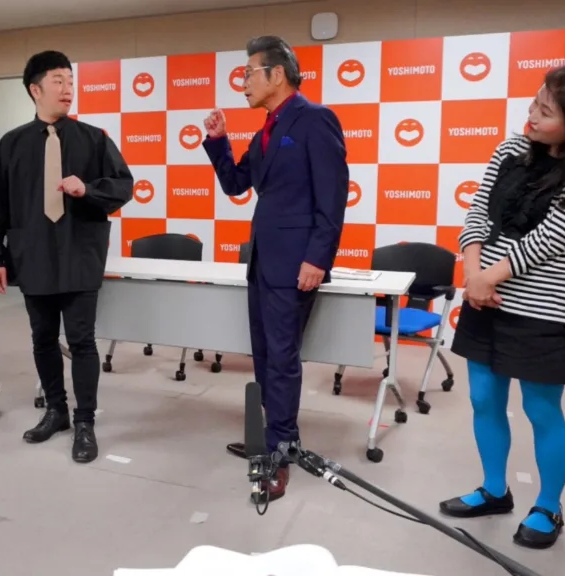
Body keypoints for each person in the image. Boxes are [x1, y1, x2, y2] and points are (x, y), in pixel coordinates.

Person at [439, 63, 565, 550]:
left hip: (543, 308)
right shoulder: (511, 149)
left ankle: (548, 506)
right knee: (483, 399)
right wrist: (473, 273)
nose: (532, 115)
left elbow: (551, 238)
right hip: (485, 297)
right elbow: (478, 214)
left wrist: (487, 278)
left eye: (546, 111)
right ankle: (494, 490)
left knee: (541, 409)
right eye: (535, 103)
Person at [201, 36, 349, 501]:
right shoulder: (266, 129)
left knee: (282, 360)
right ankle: (275, 437)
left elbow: (333, 198)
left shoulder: (315, 120)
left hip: (296, 264)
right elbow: (236, 184)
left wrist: (317, 258)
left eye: (249, 73)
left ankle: (280, 455)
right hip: (263, 262)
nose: (243, 82)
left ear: (277, 74)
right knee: (266, 356)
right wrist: (218, 142)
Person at [0, 50, 133, 463]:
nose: (68, 89)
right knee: (42, 339)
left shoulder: (94, 139)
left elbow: (124, 186)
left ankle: (85, 422)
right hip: (32, 255)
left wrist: (88, 189)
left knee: (82, 341)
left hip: (80, 253)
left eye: (71, 81)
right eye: (58, 81)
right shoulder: (11, 144)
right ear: (36, 89)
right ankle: (56, 410)